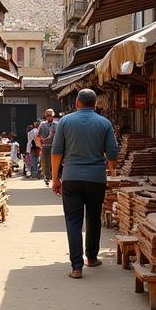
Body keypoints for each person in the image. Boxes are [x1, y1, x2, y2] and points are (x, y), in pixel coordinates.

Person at [51, 88, 119, 278]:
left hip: (71, 177)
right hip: (96, 178)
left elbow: (56, 152)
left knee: (73, 221)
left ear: (77, 103)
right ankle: (91, 257)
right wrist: (112, 170)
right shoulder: (105, 123)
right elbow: (112, 153)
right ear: (95, 104)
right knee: (93, 217)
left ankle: (76, 267)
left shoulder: (65, 122)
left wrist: (56, 178)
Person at [37, 108, 57, 186]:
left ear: (53, 116)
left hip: (55, 146)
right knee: (46, 163)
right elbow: (38, 135)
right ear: (45, 116)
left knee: (55, 163)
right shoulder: (42, 124)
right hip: (45, 146)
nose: (49, 117)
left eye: (50, 116)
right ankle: (47, 177)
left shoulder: (57, 124)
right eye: (48, 116)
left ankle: (55, 177)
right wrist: (41, 143)